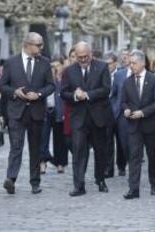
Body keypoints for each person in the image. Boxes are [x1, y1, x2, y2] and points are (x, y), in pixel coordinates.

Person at [0, 32, 55, 194]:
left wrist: (38, 94)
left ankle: (35, 182)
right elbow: (3, 86)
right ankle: (11, 179)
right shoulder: (11, 62)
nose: (41, 48)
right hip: (16, 112)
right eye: (38, 45)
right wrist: (15, 92)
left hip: (36, 112)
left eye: (41, 45)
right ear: (27, 45)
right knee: (16, 146)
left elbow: (51, 86)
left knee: (35, 148)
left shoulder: (45, 63)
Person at [61, 41, 113, 197]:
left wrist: (87, 95)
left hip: (98, 116)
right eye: (79, 57)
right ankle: (79, 185)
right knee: (78, 152)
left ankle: (100, 179)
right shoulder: (69, 71)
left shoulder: (102, 67)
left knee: (100, 151)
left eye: (85, 56)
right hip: (78, 118)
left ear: (91, 54)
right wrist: (75, 96)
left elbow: (106, 89)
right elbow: (63, 92)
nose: (82, 60)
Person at [121, 50, 155, 199]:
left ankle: (154, 184)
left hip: (150, 125)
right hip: (133, 126)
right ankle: (133, 189)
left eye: (134, 63)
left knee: (152, 156)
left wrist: (143, 112)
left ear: (142, 63)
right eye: (130, 63)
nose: (131, 66)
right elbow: (123, 101)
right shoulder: (127, 81)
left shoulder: (153, 79)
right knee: (134, 157)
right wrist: (126, 109)